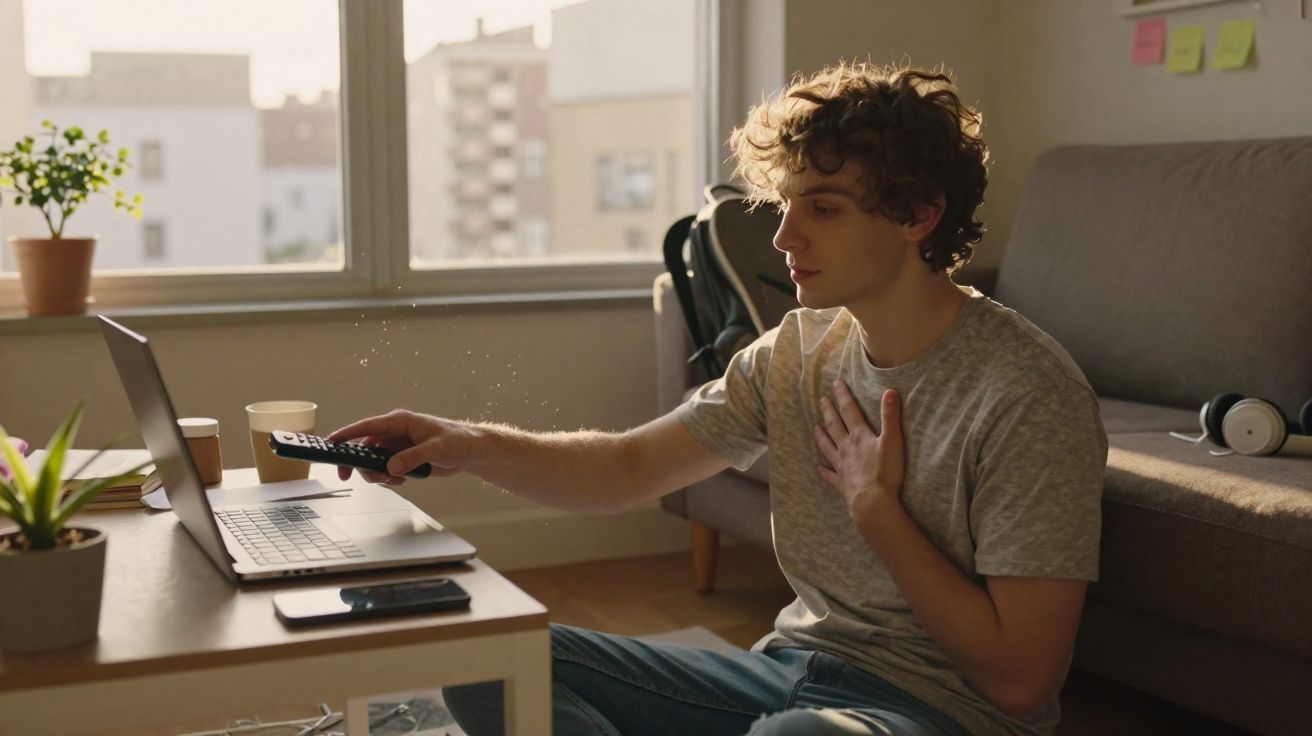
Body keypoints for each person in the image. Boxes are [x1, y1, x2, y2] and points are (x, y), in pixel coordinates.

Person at [329, 62, 1107, 736]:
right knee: (491, 659)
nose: (784, 238)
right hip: (784, 674)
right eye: (787, 204)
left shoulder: (1026, 393)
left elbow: (1020, 681)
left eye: (824, 208)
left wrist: (878, 511)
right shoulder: (797, 350)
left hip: (938, 712)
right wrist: (467, 443)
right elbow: (628, 467)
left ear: (919, 215)